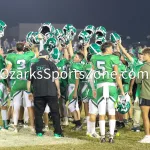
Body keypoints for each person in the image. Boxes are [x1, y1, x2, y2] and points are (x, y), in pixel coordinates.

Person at [90, 42, 125, 143]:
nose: (113, 50)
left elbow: (91, 77)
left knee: (101, 113)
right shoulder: (113, 58)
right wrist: (122, 91)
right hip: (111, 87)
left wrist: (93, 89)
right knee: (111, 112)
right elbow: (117, 75)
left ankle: (102, 136)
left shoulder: (95, 57)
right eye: (111, 48)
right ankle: (111, 137)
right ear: (108, 49)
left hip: (100, 87)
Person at [3, 43, 38, 133]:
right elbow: (35, 54)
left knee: (16, 105)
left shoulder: (12, 56)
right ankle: (32, 126)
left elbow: (8, 69)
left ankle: (15, 126)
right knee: (30, 106)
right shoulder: (28, 55)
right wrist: (29, 46)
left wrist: (4, 74)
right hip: (27, 82)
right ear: (23, 48)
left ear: (15, 48)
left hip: (16, 82)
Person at [27, 50, 63, 137]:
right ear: (47, 56)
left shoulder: (34, 66)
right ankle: (57, 133)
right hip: (51, 92)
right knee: (55, 113)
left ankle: (39, 132)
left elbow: (28, 81)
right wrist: (58, 90)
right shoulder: (51, 64)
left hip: (38, 92)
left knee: (38, 113)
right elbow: (56, 79)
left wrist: (29, 92)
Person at [136, 48, 150, 143]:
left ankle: (147, 136)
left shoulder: (144, 67)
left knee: (145, 116)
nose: (143, 56)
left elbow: (138, 81)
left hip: (146, 95)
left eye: (144, 55)